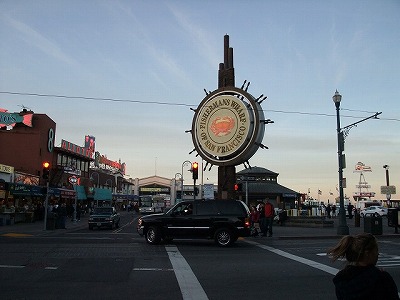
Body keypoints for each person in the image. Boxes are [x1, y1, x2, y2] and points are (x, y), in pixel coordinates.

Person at [327, 233, 399, 300]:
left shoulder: (342, 279)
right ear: (367, 253)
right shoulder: (381, 278)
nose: (378, 254)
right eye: (376, 251)